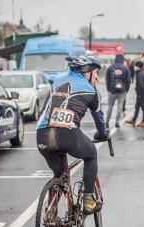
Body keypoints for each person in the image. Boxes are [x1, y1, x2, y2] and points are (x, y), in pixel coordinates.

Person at [36, 53, 109, 216]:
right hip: (67, 133)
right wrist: (103, 134)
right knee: (90, 154)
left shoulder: (56, 82)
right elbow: (100, 120)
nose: (96, 77)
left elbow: (44, 111)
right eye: (95, 72)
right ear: (86, 71)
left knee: (59, 175)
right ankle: (89, 201)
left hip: (42, 134)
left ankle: (51, 213)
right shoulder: (91, 91)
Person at [105, 54, 131, 128]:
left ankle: (107, 122)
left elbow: (107, 79)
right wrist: (126, 89)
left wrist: (108, 89)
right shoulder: (126, 68)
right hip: (122, 91)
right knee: (120, 107)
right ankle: (117, 122)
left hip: (112, 91)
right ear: (122, 59)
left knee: (110, 107)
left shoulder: (111, 67)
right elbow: (128, 80)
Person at [125, 60, 144, 127]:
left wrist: (139, 93)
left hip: (141, 94)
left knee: (143, 108)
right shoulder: (141, 72)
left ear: (138, 66)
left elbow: (141, 85)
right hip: (141, 93)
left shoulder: (141, 74)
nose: (134, 67)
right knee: (137, 107)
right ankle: (134, 120)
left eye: (135, 66)